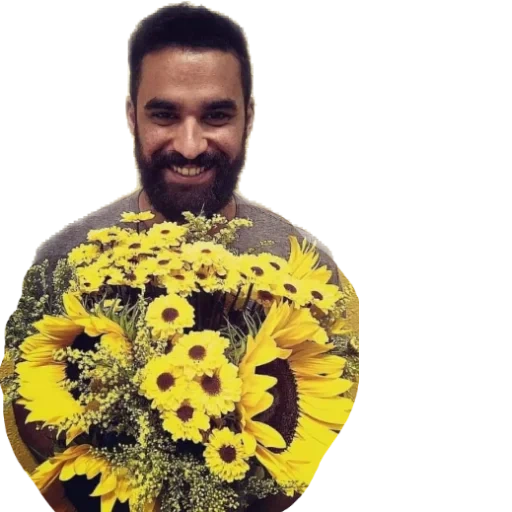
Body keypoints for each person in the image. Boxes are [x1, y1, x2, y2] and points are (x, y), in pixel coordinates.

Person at [14, 3, 343, 511]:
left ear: (250, 120)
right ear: (130, 117)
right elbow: (32, 431)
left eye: (216, 115)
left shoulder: (306, 265)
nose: (190, 146)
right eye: (164, 114)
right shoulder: (63, 258)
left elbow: (323, 444)